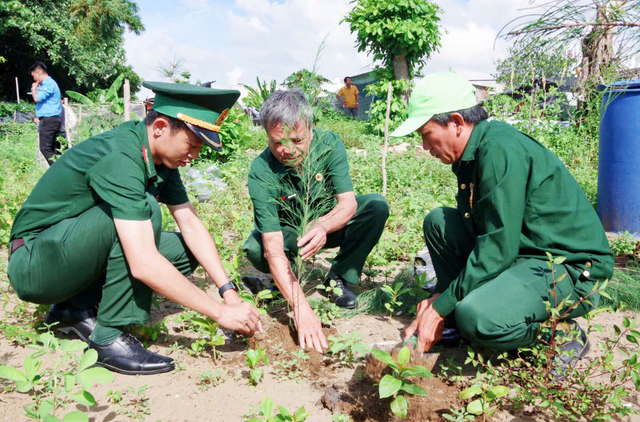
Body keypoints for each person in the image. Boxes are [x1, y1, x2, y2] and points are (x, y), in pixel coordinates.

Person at [8, 82, 262, 375]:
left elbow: (190, 223)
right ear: (160, 127)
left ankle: (73, 307)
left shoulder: (160, 158)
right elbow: (143, 263)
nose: (195, 155)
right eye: (192, 145)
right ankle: (107, 340)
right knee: (145, 212)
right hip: (35, 264)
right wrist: (219, 313)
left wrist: (228, 291)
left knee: (183, 250)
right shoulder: (122, 156)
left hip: (67, 251)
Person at [392, 72, 614, 362]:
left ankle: (560, 335)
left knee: (478, 316)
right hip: (525, 251)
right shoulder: (473, 152)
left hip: (568, 266)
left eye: (426, 135)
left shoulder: (498, 149)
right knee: (439, 222)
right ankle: (455, 319)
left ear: (457, 123)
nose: (424, 147)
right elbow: (490, 234)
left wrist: (440, 306)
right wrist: (443, 299)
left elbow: (498, 247)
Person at [243, 90, 389, 352]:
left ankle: (339, 278)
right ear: (266, 135)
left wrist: (322, 226)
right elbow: (272, 246)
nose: (287, 150)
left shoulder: (329, 144)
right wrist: (301, 310)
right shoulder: (261, 170)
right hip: (289, 238)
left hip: (329, 226)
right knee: (255, 248)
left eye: (297, 140)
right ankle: (286, 284)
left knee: (375, 206)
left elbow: (348, 203)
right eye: (277, 143)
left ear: (311, 129)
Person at [30, 62, 62, 166]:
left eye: (34, 76)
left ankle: (57, 170)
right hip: (49, 119)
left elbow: (36, 99)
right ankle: (59, 168)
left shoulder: (49, 83)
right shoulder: (46, 84)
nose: (34, 79)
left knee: (45, 148)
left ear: (38, 73)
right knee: (52, 148)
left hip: (50, 120)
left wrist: (33, 89)